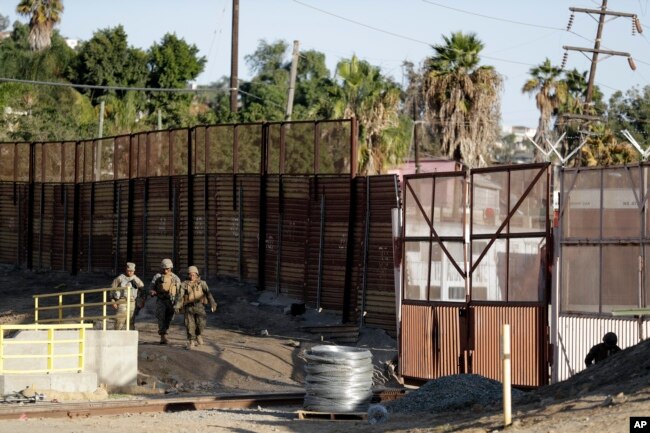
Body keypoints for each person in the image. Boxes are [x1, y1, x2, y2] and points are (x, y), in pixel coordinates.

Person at [174, 265, 217, 350]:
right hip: (188, 307)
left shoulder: (202, 283)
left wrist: (213, 303)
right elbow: (180, 296)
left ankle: (198, 334)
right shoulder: (184, 284)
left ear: (197, 275)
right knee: (189, 325)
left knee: (201, 324)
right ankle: (191, 341)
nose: (192, 276)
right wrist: (177, 306)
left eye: (194, 274)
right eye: (190, 274)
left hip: (199, 306)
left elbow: (208, 294)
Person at [145, 258, 181, 344]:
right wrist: (152, 292)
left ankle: (165, 331)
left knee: (169, 318)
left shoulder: (175, 278)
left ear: (171, 268)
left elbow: (180, 290)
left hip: (171, 301)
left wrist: (179, 302)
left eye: (167, 269)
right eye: (164, 269)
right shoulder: (157, 277)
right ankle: (163, 336)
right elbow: (151, 287)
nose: (165, 271)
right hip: (161, 300)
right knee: (161, 317)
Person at [111, 262, 144, 330]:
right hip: (122, 301)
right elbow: (112, 289)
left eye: (131, 271)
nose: (130, 272)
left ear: (134, 271)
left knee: (131, 320)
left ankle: (130, 336)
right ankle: (117, 334)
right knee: (119, 319)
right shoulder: (120, 278)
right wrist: (113, 300)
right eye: (128, 271)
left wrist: (142, 300)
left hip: (132, 302)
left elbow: (142, 289)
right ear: (126, 270)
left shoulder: (136, 279)